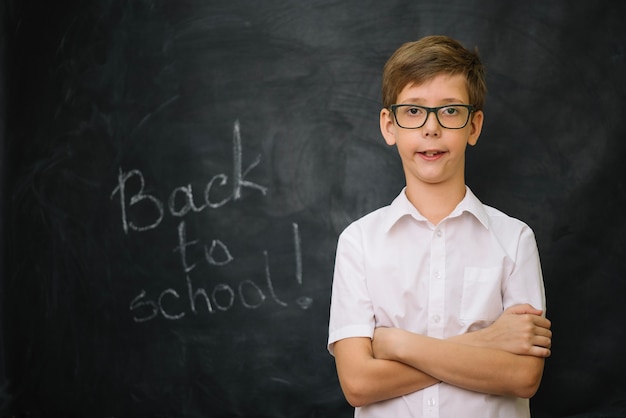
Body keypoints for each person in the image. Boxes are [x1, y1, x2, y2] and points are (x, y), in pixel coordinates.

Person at [327, 35, 552, 418]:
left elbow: (522, 376)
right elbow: (358, 384)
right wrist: (486, 343)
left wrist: (396, 344)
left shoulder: (514, 239)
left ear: (474, 126)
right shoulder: (359, 242)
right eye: (413, 111)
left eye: (450, 111)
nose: (431, 128)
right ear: (389, 125)